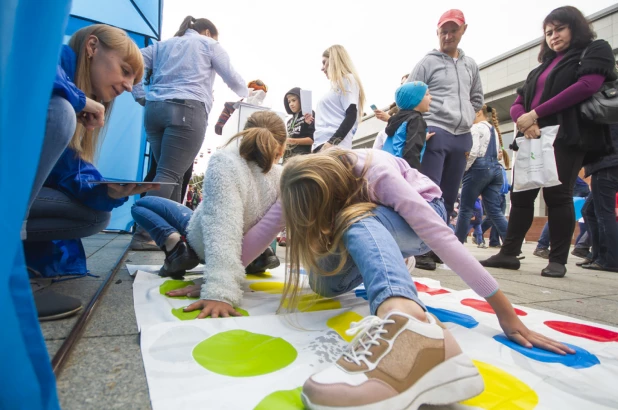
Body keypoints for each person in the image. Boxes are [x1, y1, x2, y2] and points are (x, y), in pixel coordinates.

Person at [277, 149, 573, 410]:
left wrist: (503, 309)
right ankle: (392, 259)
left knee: (355, 220)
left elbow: (440, 237)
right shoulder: (299, 182)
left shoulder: (374, 173)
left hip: (421, 218)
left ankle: (410, 324)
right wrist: (228, 285)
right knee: (324, 284)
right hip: (372, 226)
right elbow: (267, 226)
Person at [25, 24, 152, 320]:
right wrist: (78, 100)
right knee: (60, 112)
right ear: (92, 47)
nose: (129, 86)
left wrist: (105, 190)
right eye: (125, 70)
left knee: (96, 214)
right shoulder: (50, 59)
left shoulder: (71, 95)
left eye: (133, 78)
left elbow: (66, 169)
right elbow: (33, 64)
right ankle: (8, 267)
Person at [481, 6, 616, 278]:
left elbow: (587, 85)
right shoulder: (541, 68)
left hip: (567, 135)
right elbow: (519, 102)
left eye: (559, 29)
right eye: (548, 32)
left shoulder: (594, 49)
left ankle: (557, 259)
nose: (553, 36)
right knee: (520, 196)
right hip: (532, 137)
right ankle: (509, 253)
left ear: (575, 27)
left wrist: (536, 114)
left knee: (558, 195)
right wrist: (525, 120)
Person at [131, 111, 286, 318]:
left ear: (244, 135)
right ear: (283, 147)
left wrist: (220, 291)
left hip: (203, 243)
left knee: (141, 205)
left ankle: (175, 245)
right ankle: (260, 255)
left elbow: (222, 226)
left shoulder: (226, 162)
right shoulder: (282, 176)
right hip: (243, 250)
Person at [130, 16, 248, 249]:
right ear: (207, 32)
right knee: (168, 174)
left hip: (154, 109)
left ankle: (169, 232)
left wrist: (139, 94)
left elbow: (132, 61)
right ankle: (145, 234)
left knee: (170, 173)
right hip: (187, 108)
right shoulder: (208, 44)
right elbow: (234, 80)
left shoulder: (162, 45)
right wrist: (247, 90)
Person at [407, 9, 483, 220]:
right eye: (444, 32)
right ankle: (423, 246)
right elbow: (407, 97)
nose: (448, 36)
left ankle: (439, 246)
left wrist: (465, 114)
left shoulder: (470, 65)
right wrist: (422, 127)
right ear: (437, 33)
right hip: (435, 132)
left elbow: (477, 99)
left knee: (449, 197)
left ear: (463, 30)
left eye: (453, 30)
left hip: (462, 136)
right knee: (429, 193)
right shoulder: (427, 63)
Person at [455, 105, 509, 248]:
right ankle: (512, 245)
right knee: (495, 211)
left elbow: (473, 152)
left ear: (478, 112)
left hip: (478, 168)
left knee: (465, 209)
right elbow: (497, 153)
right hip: (495, 170)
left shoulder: (476, 128)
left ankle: (456, 245)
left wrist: (464, 170)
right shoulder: (494, 130)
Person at [310, 45, 366, 152]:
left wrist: (332, 142)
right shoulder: (335, 87)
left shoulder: (347, 79)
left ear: (334, 60)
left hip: (332, 147)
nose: (322, 68)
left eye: (324, 62)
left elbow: (351, 114)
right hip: (323, 145)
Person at [580, 124, 618, 272]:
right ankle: (596, 255)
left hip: (606, 164)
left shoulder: (606, 108)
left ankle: (610, 259)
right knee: (588, 210)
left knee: (604, 213)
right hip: (608, 164)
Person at [532, 176, 590, 259]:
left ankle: (582, 247)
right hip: (572, 184)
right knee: (559, 215)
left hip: (572, 184)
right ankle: (542, 246)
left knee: (565, 215)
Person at [382, 81, 434, 170]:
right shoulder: (416, 119)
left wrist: (422, 137)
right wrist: (413, 174)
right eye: (427, 94)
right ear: (415, 99)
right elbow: (412, 150)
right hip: (403, 169)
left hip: (388, 164)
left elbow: (401, 138)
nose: (431, 97)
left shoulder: (398, 118)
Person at [282, 87, 315, 162]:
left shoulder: (309, 115)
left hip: (301, 160)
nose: (291, 104)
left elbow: (312, 140)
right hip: (287, 160)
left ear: (301, 100)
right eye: (289, 102)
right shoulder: (289, 121)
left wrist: (291, 141)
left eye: (294, 100)